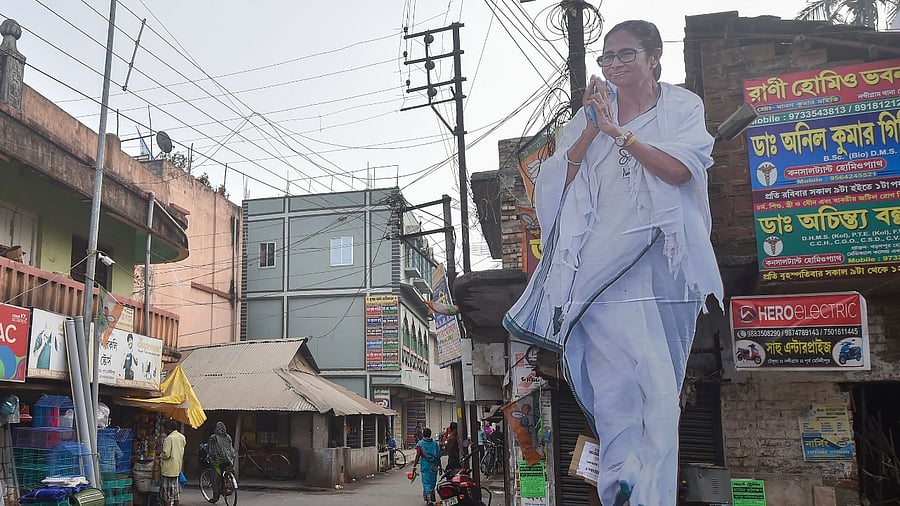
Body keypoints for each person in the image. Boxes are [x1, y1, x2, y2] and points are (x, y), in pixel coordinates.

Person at [502, 19, 723, 506]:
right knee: (615, 386)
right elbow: (558, 183)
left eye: (626, 55)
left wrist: (618, 134)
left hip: (657, 260)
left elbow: (680, 169)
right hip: (599, 268)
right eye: (607, 58)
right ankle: (621, 489)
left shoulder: (682, 105)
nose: (615, 65)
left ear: (653, 57)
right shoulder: (588, 115)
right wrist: (591, 128)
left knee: (659, 388)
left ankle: (649, 492)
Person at [159, 419, 186, 506]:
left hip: (168, 470)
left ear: (168, 429)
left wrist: (160, 455)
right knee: (175, 494)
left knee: (167, 494)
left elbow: (166, 454)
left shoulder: (169, 439)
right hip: (177, 468)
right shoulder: (182, 437)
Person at [206, 421, 236, 500]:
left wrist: (209, 457)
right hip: (229, 461)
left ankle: (215, 497)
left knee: (215, 478)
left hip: (218, 463)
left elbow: (211, 450)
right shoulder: (228, 437)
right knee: (229, 472)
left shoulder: (213, 438)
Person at [412, 427, 441, 506]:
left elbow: (418, 455)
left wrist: (414, 466)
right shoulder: (435, 443)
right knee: (432, 481)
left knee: (426, 482)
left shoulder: (420, 444)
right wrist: (440, 467)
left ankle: (428, 499)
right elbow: (439, 455)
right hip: (434, 465)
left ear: (423, 434)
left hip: (425, 465)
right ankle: (431, 495)